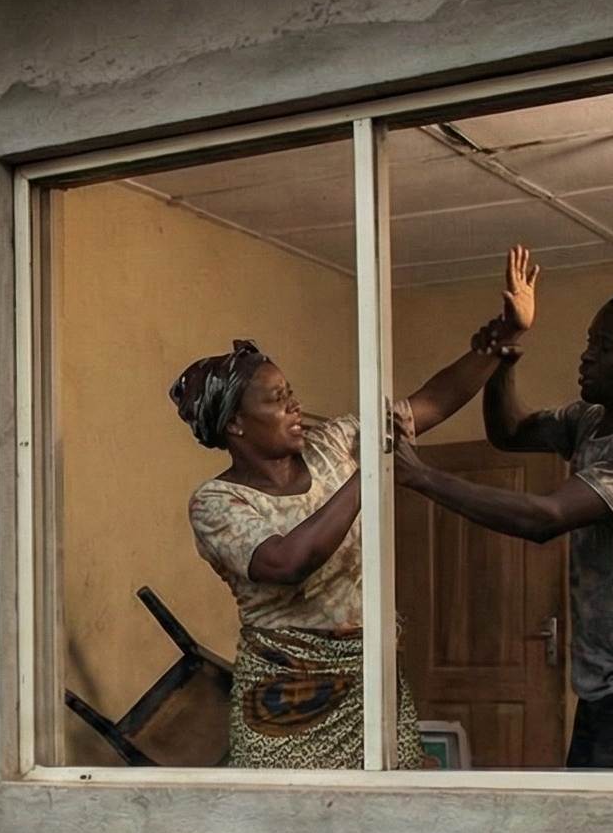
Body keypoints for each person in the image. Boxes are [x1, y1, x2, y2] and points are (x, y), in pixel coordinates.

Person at [391, 245, 613, 769]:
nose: (587, 357)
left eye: (606, 348)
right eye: (590, 343)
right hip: (601, 684)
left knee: (609, 832)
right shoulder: (592, 420)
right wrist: (502, 362)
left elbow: (546, 518)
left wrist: (422, 477)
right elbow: (510, 434)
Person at [174, 329, 503, 768]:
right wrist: (370, 470)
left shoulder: (336, 442)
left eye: (290, 393)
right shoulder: (217, 502)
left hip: (372, 685)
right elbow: (289, 561)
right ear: (235, 423)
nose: (294, 405)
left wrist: (501, 339)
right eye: (275, 399)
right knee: (289, 822)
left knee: (387, 816)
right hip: (285, 700)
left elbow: (431, 402)